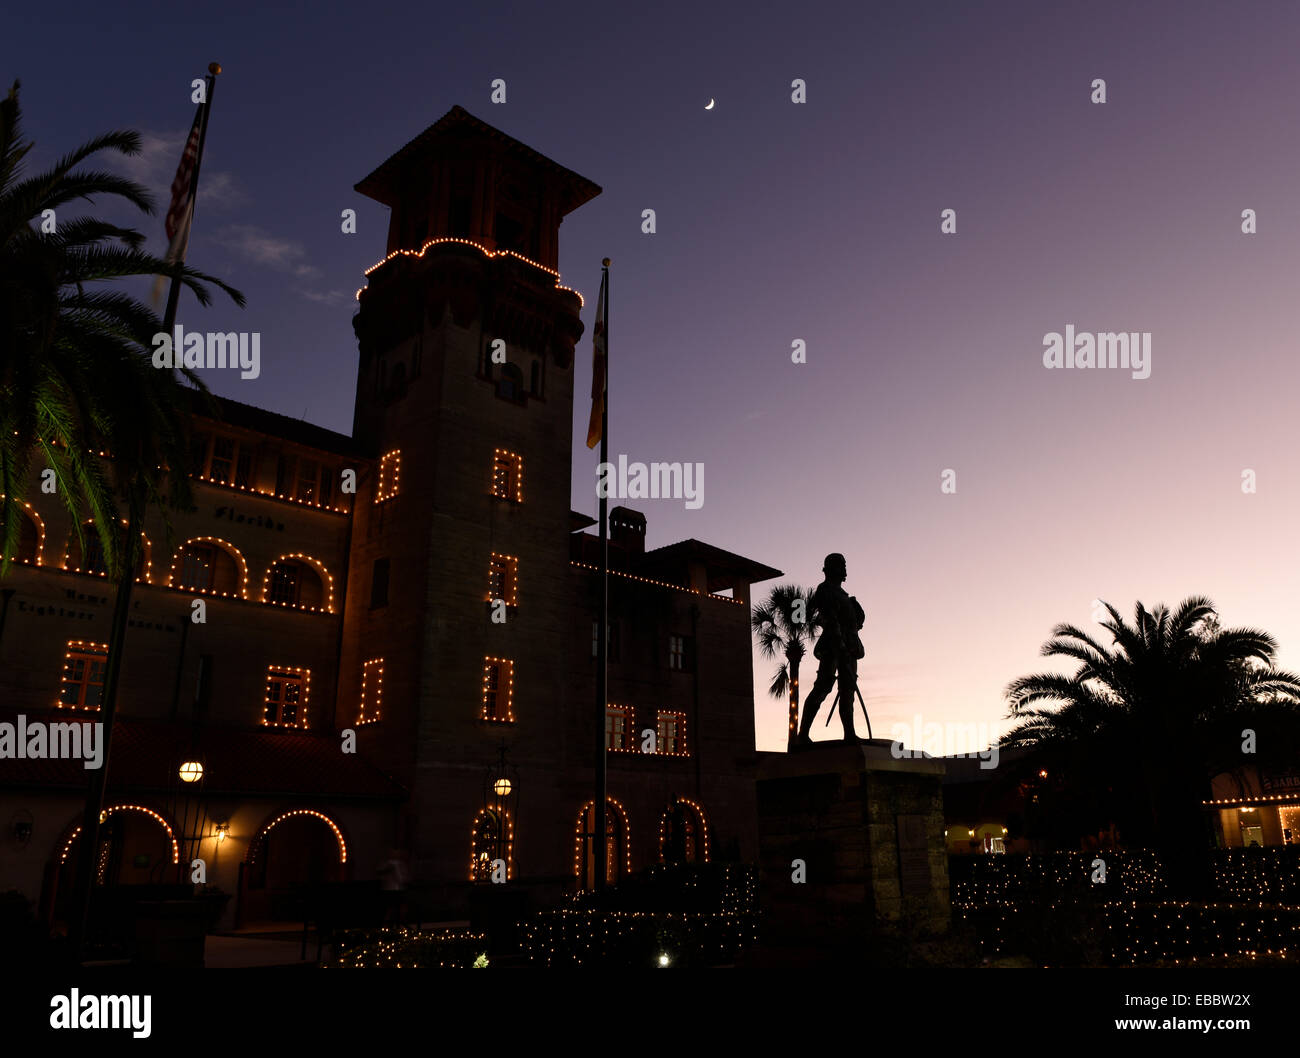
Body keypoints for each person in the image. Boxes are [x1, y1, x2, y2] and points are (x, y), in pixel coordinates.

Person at [796, 553, 866, 746]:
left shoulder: (844, 595)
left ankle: (849, 733)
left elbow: (853, 623)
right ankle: (803, 735)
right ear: (831, 568)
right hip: (833, 647)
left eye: (844, 565)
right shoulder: (825, 590)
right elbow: (830, 620)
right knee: (823, 686)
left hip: (850, 648)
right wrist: (840, 646)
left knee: (847, 690)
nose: (844, 569)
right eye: (841, 565)